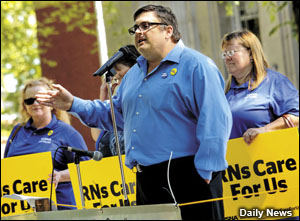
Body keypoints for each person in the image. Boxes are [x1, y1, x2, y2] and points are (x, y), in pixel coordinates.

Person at [36, 5, 232, 220]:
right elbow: (115, 116)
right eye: (136, 28)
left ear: (168, 30)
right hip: (146, 178)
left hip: (190, 174)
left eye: (146, 25)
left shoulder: (196, 65)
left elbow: (215, 120)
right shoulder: (134, 74)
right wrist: (72, 103)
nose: (138, 32)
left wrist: (207, 170)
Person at [4, 77, 89, 210]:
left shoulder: (67, 132)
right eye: (29, 100)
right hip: (22, 211)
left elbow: (87, 170)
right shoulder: (17, 131)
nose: (35, 103)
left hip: (59, 210)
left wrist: (60, 176)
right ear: (24, 105)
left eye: (40, 98)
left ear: (52, 102)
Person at [221, 30, 299, 144]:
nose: (227, 58)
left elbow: (296, 117)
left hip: (271, 158)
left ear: (251, 54)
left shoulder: (274, 82)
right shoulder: (225, 92)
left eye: (232, 52)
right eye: (224, 54)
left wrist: (264, 130)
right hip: (238, 161)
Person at [91, 45, 140, 157]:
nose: (121, 83)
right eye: (117, 79)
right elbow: (97, 135)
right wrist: (104, 98)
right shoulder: (117, 104)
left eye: (123, 76)